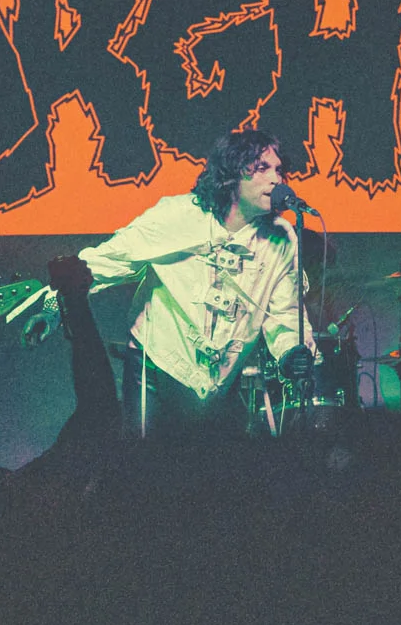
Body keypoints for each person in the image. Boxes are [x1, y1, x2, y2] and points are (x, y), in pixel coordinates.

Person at [77, 128, 315, 439]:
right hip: (157, 367)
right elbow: (107, 260)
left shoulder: (282, 238)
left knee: (208, 466)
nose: (276, 179)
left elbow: (285, 311)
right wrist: (54, 304)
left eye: (279, 170)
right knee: (144, 462)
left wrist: (291, 352)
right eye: (262, 168)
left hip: (219, 382)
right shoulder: (176, 215)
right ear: (232, 173)